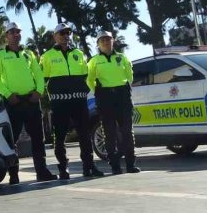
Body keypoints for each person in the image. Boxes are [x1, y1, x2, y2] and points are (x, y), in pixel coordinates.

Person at [0, 22, 57, 184]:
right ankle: (14, 174)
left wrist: (38, 92)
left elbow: (39, 74)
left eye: (18, 31)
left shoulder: (29, 54)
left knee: (38, 139)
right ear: (6, 35)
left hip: (32, 101)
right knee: (12, 140)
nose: (15, 34)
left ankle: (42, 171)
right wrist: (7, 94)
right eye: (11, 32)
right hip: (13, 102)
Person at [40, 23, 104, 179]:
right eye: (62, 33)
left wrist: (86, 90)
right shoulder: (47, 56)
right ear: (55, 36)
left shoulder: (79, 54)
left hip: (79, 101)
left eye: (68, 32)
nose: (65, 35)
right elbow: (43, 79)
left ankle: (89, 167)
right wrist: (48, 98)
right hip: (59, 102)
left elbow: (85, 75)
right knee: (60, 136)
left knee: (84, 134)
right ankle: (63, 169)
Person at [87, 30, 139, 174]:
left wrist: (125, 86)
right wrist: (98, 90)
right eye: (102, 40)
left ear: (113, 41)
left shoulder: (122, 58)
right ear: (98, 44)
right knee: (109, 134)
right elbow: (89, 79)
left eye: (108, 39)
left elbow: (130, 75)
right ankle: (115, 166)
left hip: (122, 96)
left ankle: (130, 164)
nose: (105, 42)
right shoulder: (94, 61)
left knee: (127, 132)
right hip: (105, 97)